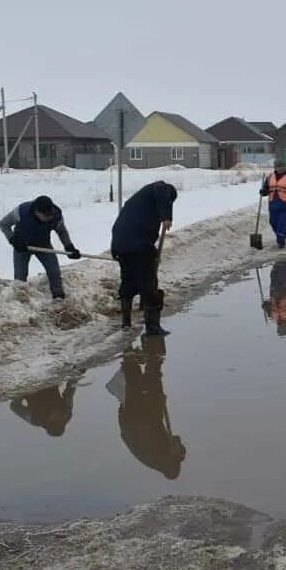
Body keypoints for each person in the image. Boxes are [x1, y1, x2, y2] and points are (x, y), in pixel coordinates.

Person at [107, 338, 185, 480]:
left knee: (136, 382)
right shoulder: (165, 457)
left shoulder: (152, 453)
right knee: (150, 382)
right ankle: (150, 356)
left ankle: (131, 349)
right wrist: (176, 446)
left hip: (134, 419)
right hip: (143, 418)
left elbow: (147, 425)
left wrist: (156, 402)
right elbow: (175, 440)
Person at [111, 180, 177, 336]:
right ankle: (152, 327)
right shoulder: (160, 188)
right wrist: (167, 216)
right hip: (136, 244)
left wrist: (152, 253)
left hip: (121, 244)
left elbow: (141, 230)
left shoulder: (141, 202)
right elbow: (161, 190)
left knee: (129, 280)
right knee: (149, 283)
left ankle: (126, 322)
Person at [0, 195, 81, 300]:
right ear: (36, 212)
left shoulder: (55, 215)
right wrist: (13, 240)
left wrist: (69, 247)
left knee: (54, 270)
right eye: (46, 216)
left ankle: (58, 296)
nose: (49, 217)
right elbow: (3, 224)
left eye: (50, 214)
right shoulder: (21, 211)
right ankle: (19, 300)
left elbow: (62, 232)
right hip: (22, 246)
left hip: (43, 244)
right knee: (20, 277)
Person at [9, 377, 78, 437]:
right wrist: (76, 375)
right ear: (62, 421)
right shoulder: (66, 412)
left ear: (47, 421)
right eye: (58, 418)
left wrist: (22, 392)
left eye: (53, 419)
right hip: (50, 384)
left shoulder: (35, 419)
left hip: (31, 387)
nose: (56, 414)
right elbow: (70, 391)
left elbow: (14, 406)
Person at [260, 160, 286, 249]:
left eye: (281, 167)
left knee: (282, 224)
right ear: (275, 168)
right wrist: (263, 191)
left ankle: (281, 241)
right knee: (273, 223)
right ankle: (280, 236)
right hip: (273, 204)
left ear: (284, 167)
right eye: (278, 167)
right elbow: (266, 190)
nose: (280, 169)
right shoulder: (270, 177)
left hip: (285, 205)